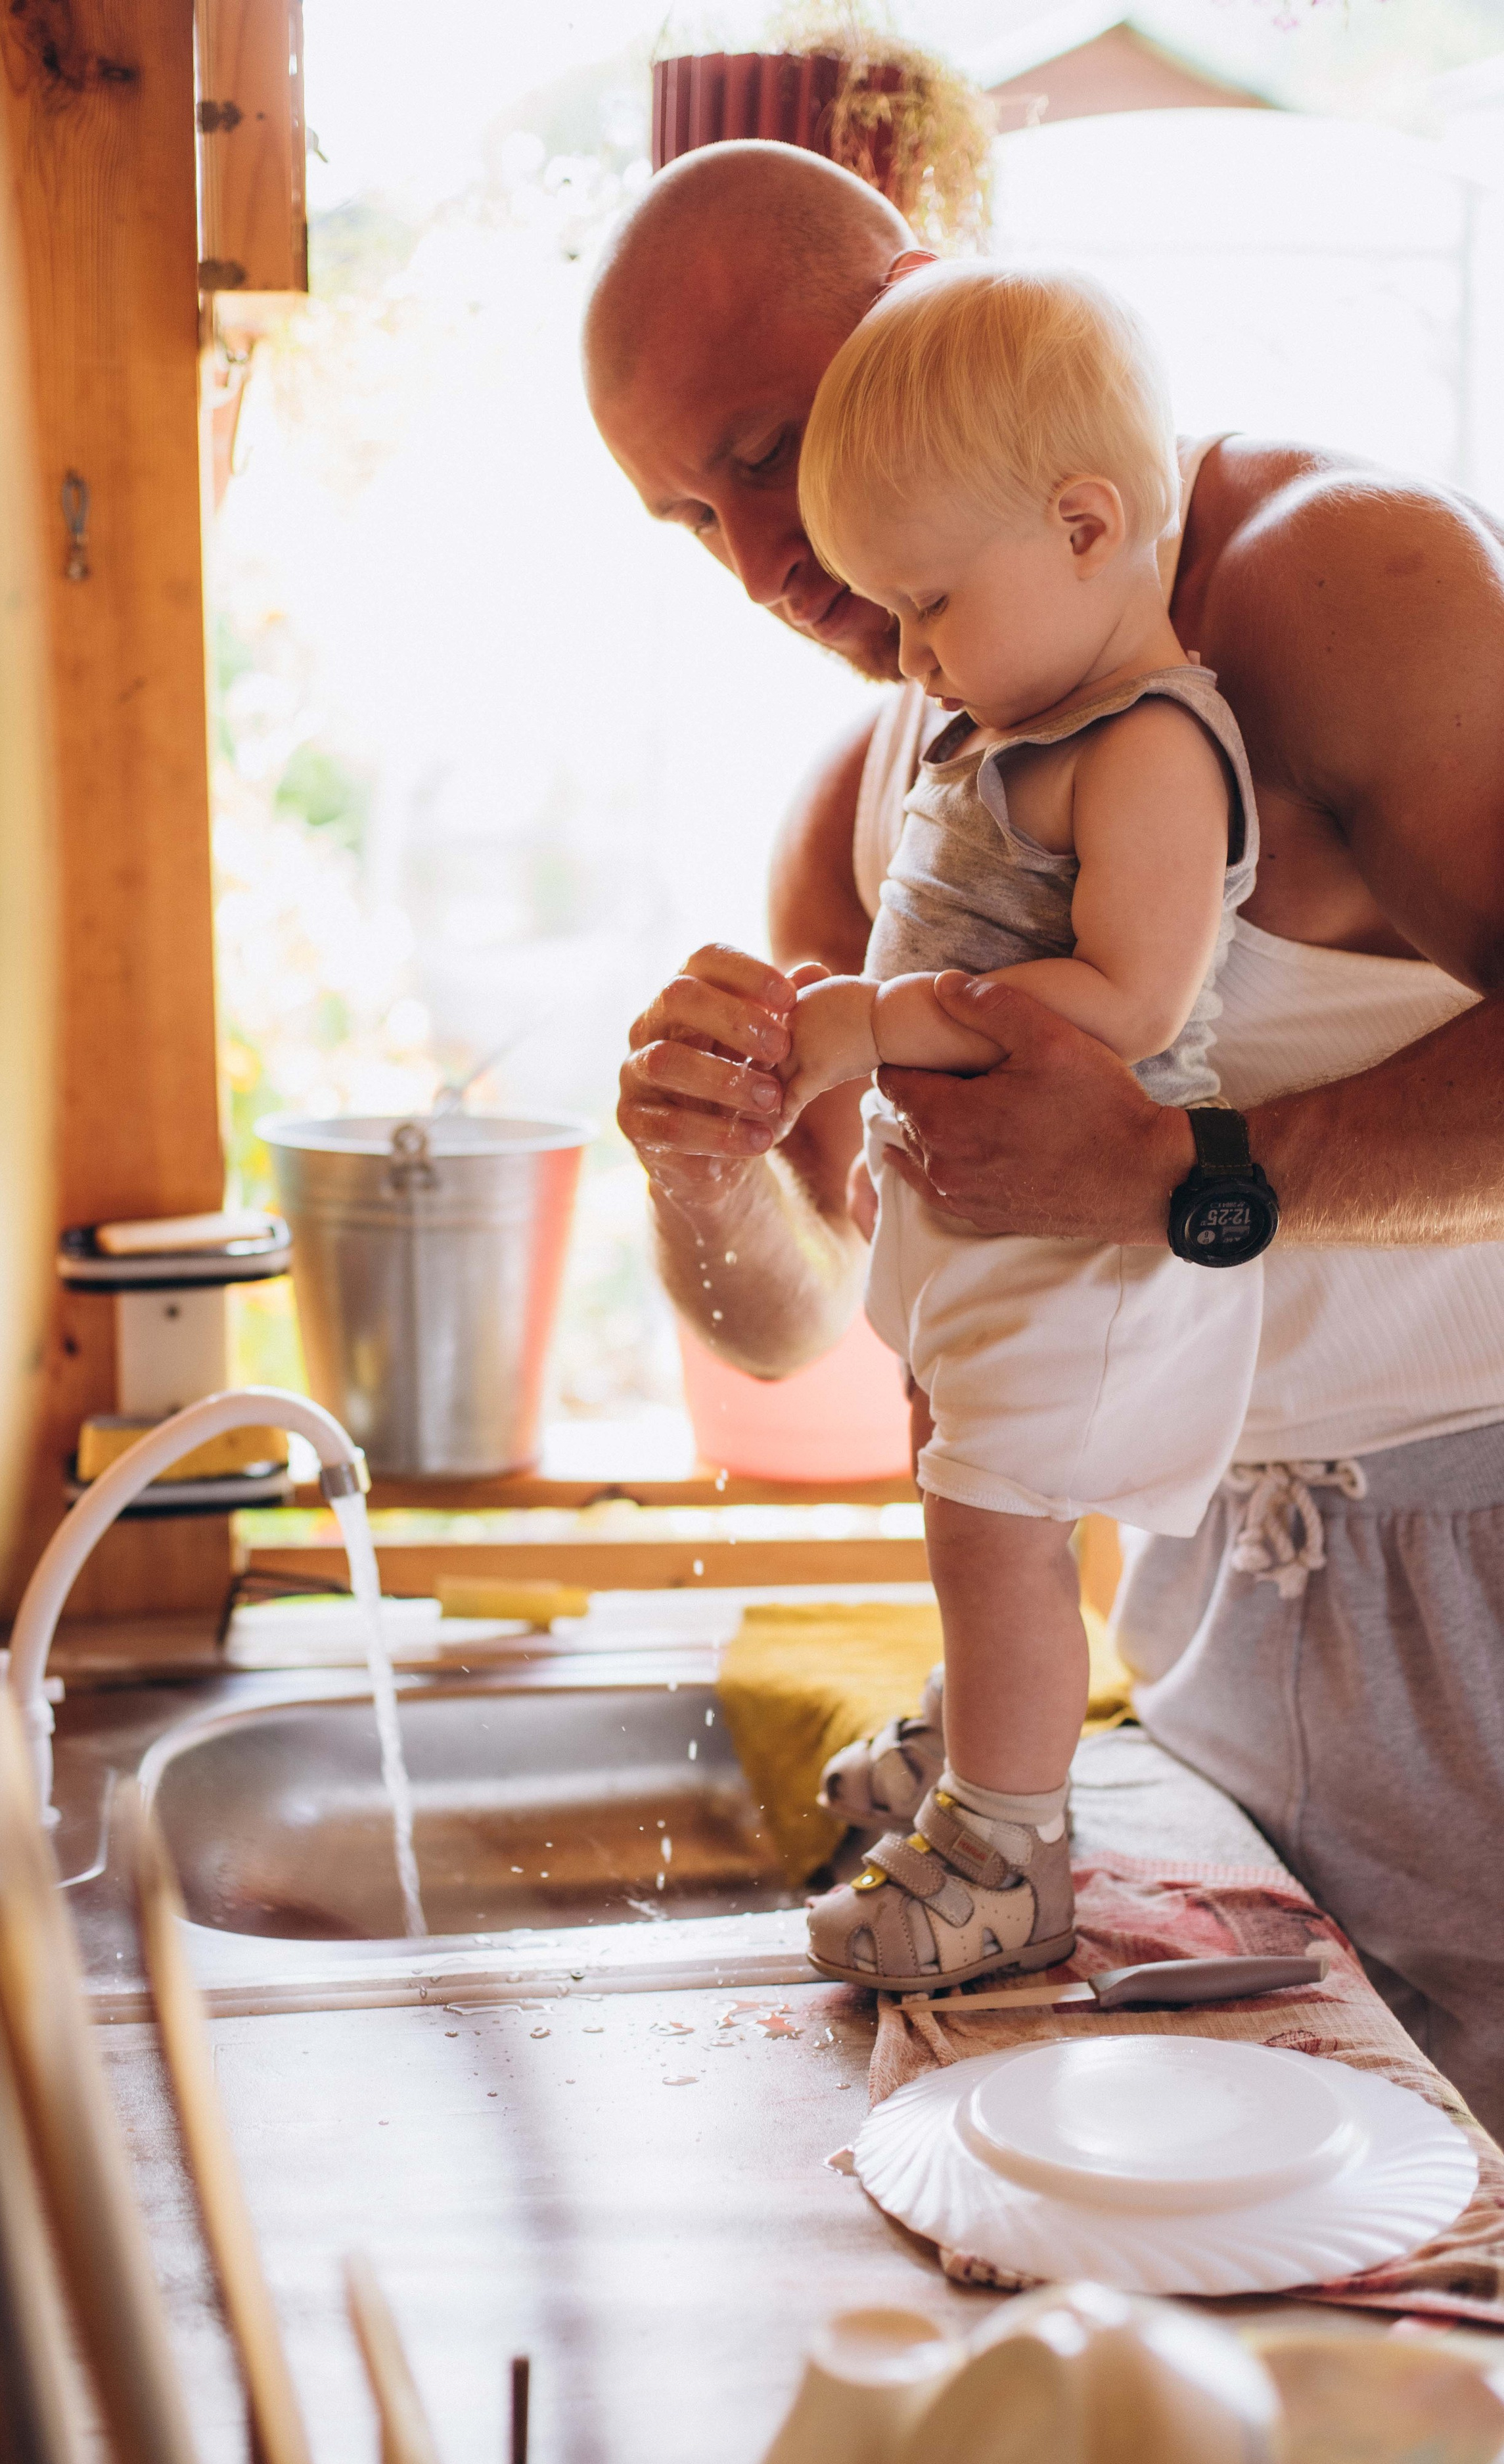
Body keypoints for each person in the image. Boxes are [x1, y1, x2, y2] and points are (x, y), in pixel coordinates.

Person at [583, 141, 1504, 2118]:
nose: (758, 555)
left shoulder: (1344, 578)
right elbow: (794, 1322)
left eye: (766, 447)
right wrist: (704, 1164)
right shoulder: (878, 788)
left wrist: (1203, 1179)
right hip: (1202, 1616)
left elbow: (1163, 1172)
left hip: (1489, 1569)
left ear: (931, 295)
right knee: (1351, 2313)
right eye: (689, 515)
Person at [772, 262, 1262, 1988]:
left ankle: (1010, 1851)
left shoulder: (1147, 751)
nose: (906, 656)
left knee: (997, 1520)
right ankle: (988, 1734)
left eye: (924, 604)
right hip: (994, 1245)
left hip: (1091, 1253)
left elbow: (1128, 999)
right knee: (963, 1494)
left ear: (1083, 525)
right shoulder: (1016, 730)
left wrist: (866, 1026)